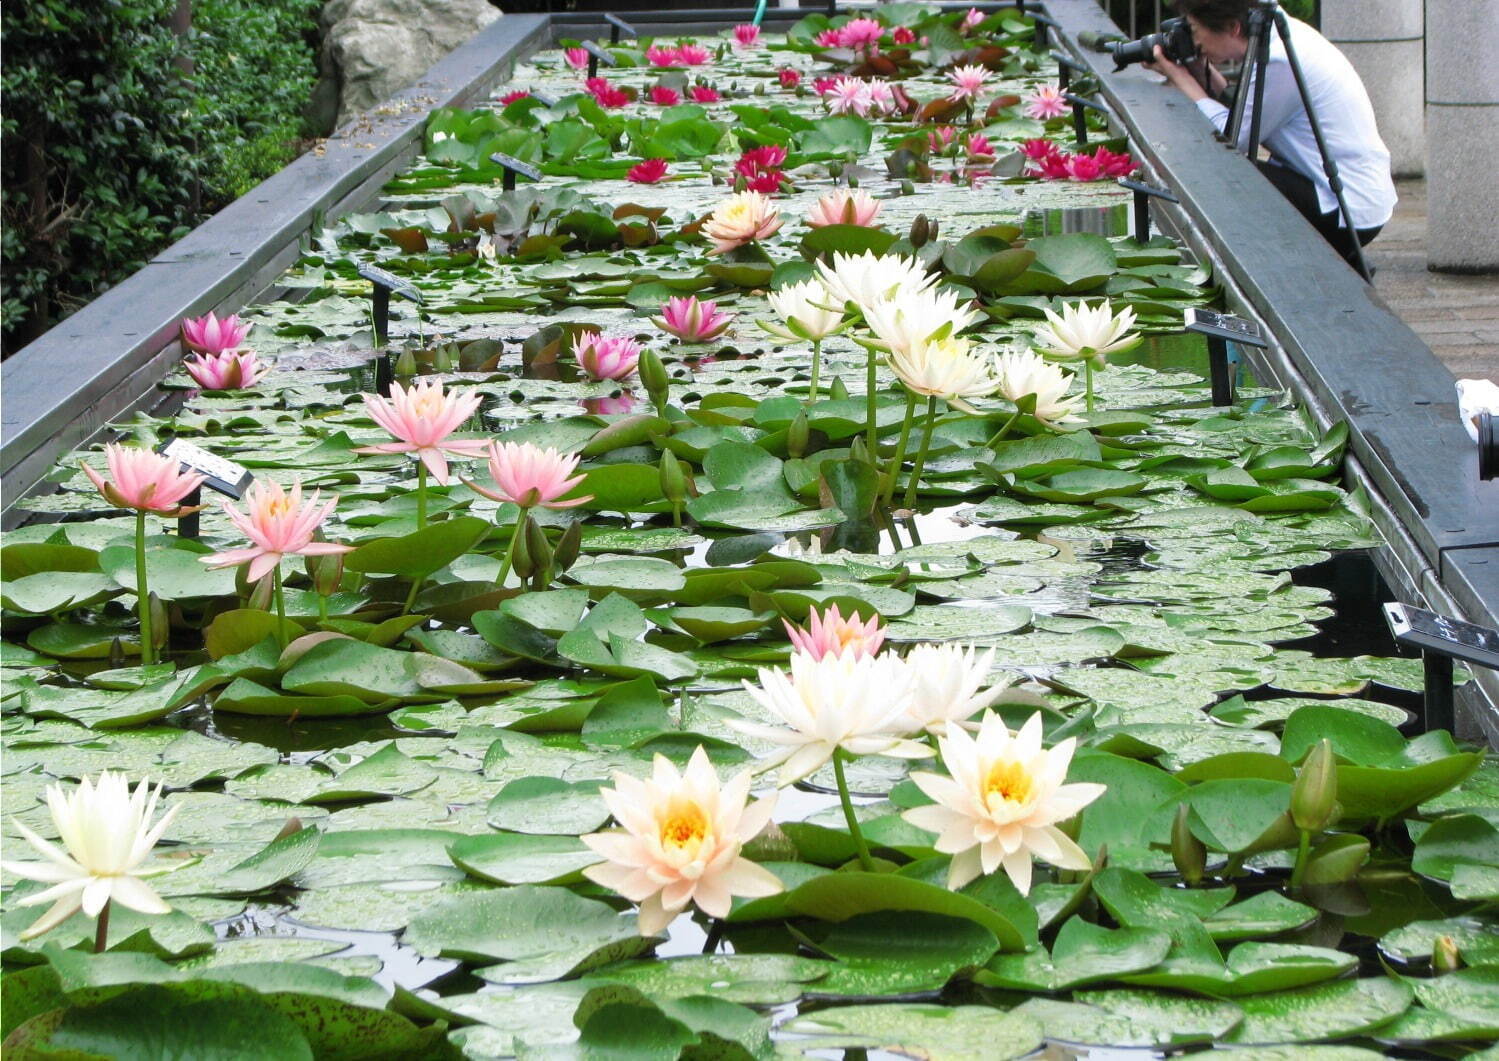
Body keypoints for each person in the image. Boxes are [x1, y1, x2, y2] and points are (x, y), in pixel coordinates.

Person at [1144, 0, 1397, 267]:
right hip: (1341, 190)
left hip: (1345, 207)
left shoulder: (1280, 58)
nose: (1195, 40)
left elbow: (1232, 140)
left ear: (1233, 27)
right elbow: (1243, 111)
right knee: (1231, 175)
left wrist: (1179, 77)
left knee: (1220, 176)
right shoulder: (1277, 31)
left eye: (1194, 30)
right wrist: (1196, 69)